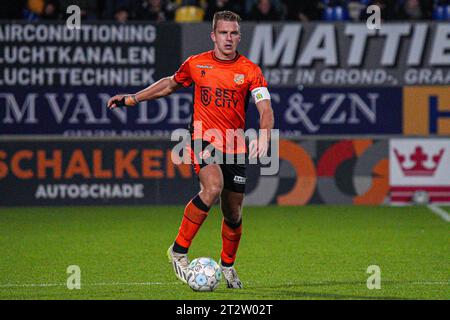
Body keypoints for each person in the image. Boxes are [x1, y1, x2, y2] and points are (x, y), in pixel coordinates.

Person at [107, 10, 274, 289]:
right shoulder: (196, 64)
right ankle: (179, 251)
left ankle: (228, 266)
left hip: (234, 144)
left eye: (233, 33)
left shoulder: (250, 71)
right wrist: (133, 99)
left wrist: (265, 134)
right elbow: (170, 84)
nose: (229, 38)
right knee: (212, 188)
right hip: (202, 137)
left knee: (233, 214)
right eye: (223, 32)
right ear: (213, 35)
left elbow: (265, 108)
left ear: (239, 36)